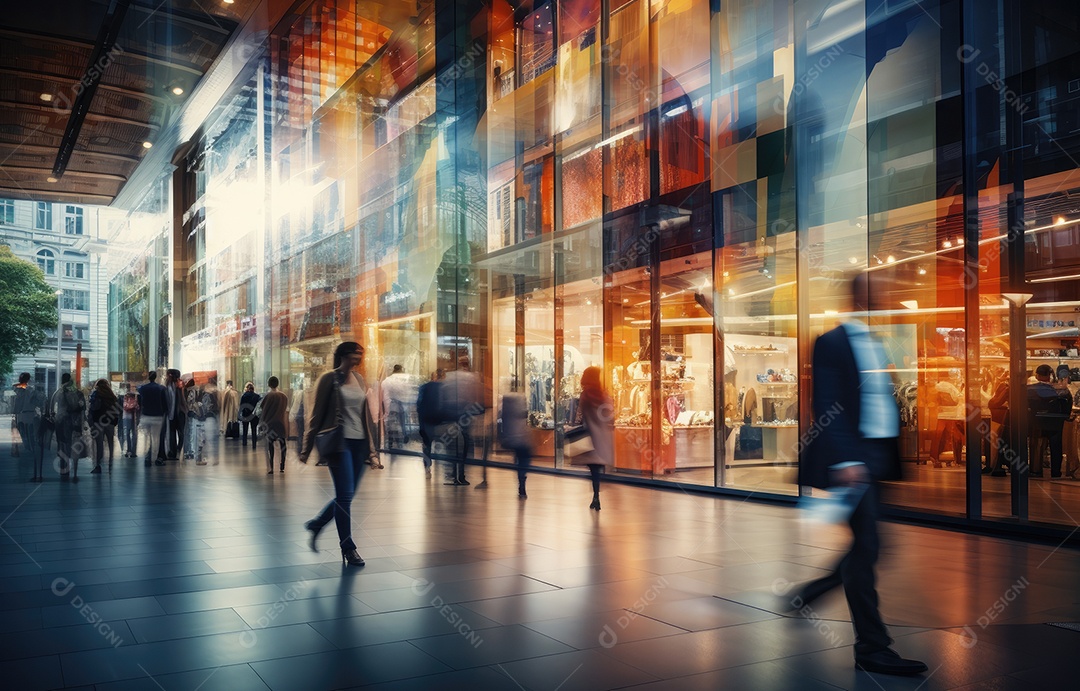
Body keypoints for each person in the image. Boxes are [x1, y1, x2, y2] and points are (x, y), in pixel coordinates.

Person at [794, 273, 927, 676]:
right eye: (879, 294)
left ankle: (813, 593)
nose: (887, 299)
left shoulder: (876, 342)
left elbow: (875, 403)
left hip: (875, 456)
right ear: (861, 298)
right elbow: (828, 403)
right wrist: (847, 459)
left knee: (870, 547)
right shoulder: (831, 342)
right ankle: (872, 647)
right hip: (853, 458)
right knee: (868, 547)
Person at [299, 341, 379, 567]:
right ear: (344, 355)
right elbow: (316, 415)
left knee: (347, 496)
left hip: (359, 444)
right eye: (356, 354)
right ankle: (348, 547)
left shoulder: (360, 379)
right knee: (344, 496)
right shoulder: (329, 379)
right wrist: (306, 447)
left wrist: (372, 451)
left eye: (361, 355)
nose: (359, 358)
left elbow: (364, 416)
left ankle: (317, 524)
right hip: (339, 444)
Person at [572, 366, 614, 510]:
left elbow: (579, 415)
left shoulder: (586, 394)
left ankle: (596, 496)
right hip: (602, 436)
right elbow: (610, 415)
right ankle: (596, 495)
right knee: (597, 466)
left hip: (590, 435)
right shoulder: (604, 395)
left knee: (593, 469)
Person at [441, 355, 482, 484]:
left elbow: (444, 396)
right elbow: (474, 397)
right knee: (465, 443)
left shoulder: (449, 377)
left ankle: (452, 472)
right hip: (465, 414)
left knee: (451, 442)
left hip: (452, 414)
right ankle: (461, 474)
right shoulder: (471, 377)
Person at [1028, 364, 1072, 479]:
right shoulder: (1061, 390)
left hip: (1036, 421)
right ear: (1050, 375)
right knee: (1056, 447)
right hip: (1055, 422)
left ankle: (1035, 470)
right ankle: (1055, 472)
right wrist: (1065, 416)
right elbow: (1067, 405)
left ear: (1037, 375)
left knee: (1036, 445)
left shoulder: (1029, 389)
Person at [13, 373, 47, 482]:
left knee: (24, 439)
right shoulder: (30, 390)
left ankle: (27, 460)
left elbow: (16, 403)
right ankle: (32, 461)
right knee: (31, 439)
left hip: (21, 416)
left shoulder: (19, 390)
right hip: (30, 416)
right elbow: (41, 400)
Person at [51, 373, 86, 477]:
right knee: (75, 445)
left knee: (62, 444)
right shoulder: (78, 393)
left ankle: (64, 468)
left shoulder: (58, 392)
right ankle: (75, 472)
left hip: (61, 421)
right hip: (75, 421)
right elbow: (83, 408)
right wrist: (83, 422)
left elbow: (52, 408)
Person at [499, 391, 532, 498]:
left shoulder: (506, 408)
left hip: (513, 437)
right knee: (523, 461)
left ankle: (521, 483)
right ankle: (522, 483)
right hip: (521, 438)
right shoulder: (520, 406)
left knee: (519, 461)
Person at [416, 369, 445, 479]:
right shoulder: (444, 388)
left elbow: (419, 404)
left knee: (427, 444)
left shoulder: (424, 387)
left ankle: (427, 467)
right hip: (441, 421)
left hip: (427, 419)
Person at [88, 379, 121, 473]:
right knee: (110, 442)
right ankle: (110, 462)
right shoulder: (112, 396)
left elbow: (92, 408)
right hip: (109, 422)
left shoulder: (96, 394)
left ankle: (98, 465)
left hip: (98, 421)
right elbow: (117, 409)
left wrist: (91, 421)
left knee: (99, 444)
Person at [258, 376, 289, 474]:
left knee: (270, 445)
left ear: (269, 384)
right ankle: (282, 466)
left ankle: (271, 467)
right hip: (280, 422)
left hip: (270, 423)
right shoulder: (284, 396)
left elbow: (262, 408)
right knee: (283, 444)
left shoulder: (268, 396)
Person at [137, 371, 168, 467]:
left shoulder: (142, 389)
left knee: (146, 437)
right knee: (156, 438)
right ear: (156, 377)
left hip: (146, 415)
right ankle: (155, 458)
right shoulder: (161, 388)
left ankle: (147, 457)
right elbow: (165, 403)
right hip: (157, 416)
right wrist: (164, 413)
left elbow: (139, 401)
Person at [160, 369, 188, 461]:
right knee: (179, 433)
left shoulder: (170, 386)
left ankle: (174, 452)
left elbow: (170, 401)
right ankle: (176, 451)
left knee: (173, 433)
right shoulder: (180, 385)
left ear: (170, 375)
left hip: (175, 412)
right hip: (180, 412)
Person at [195, 378, 221, 465]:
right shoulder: (211, 394)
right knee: (211, 439)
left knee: (202, 440)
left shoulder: (202, 395)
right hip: (210, 418)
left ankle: (199, 459)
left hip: (203, 419)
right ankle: (213, 458)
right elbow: (214, 407)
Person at [239, 381, 261, 449]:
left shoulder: (244, 396)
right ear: (253, 388)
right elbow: (259, 406)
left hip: (246, 415)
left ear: (247, 388)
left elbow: (241, 406)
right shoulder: (257, 396)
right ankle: (254, 444)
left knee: (245, 430)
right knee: (254, 430)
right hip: (254, 415)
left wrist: (240, 414)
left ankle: (244, 443)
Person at [120, 383, 139, 457]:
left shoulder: (125, 396)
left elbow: (124, 406)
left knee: (128, 434)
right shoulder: (132, 396)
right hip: (132, 417)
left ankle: (129, 450)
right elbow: (136, 407)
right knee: (131, 434)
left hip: (128, 417)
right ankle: (131, 450)